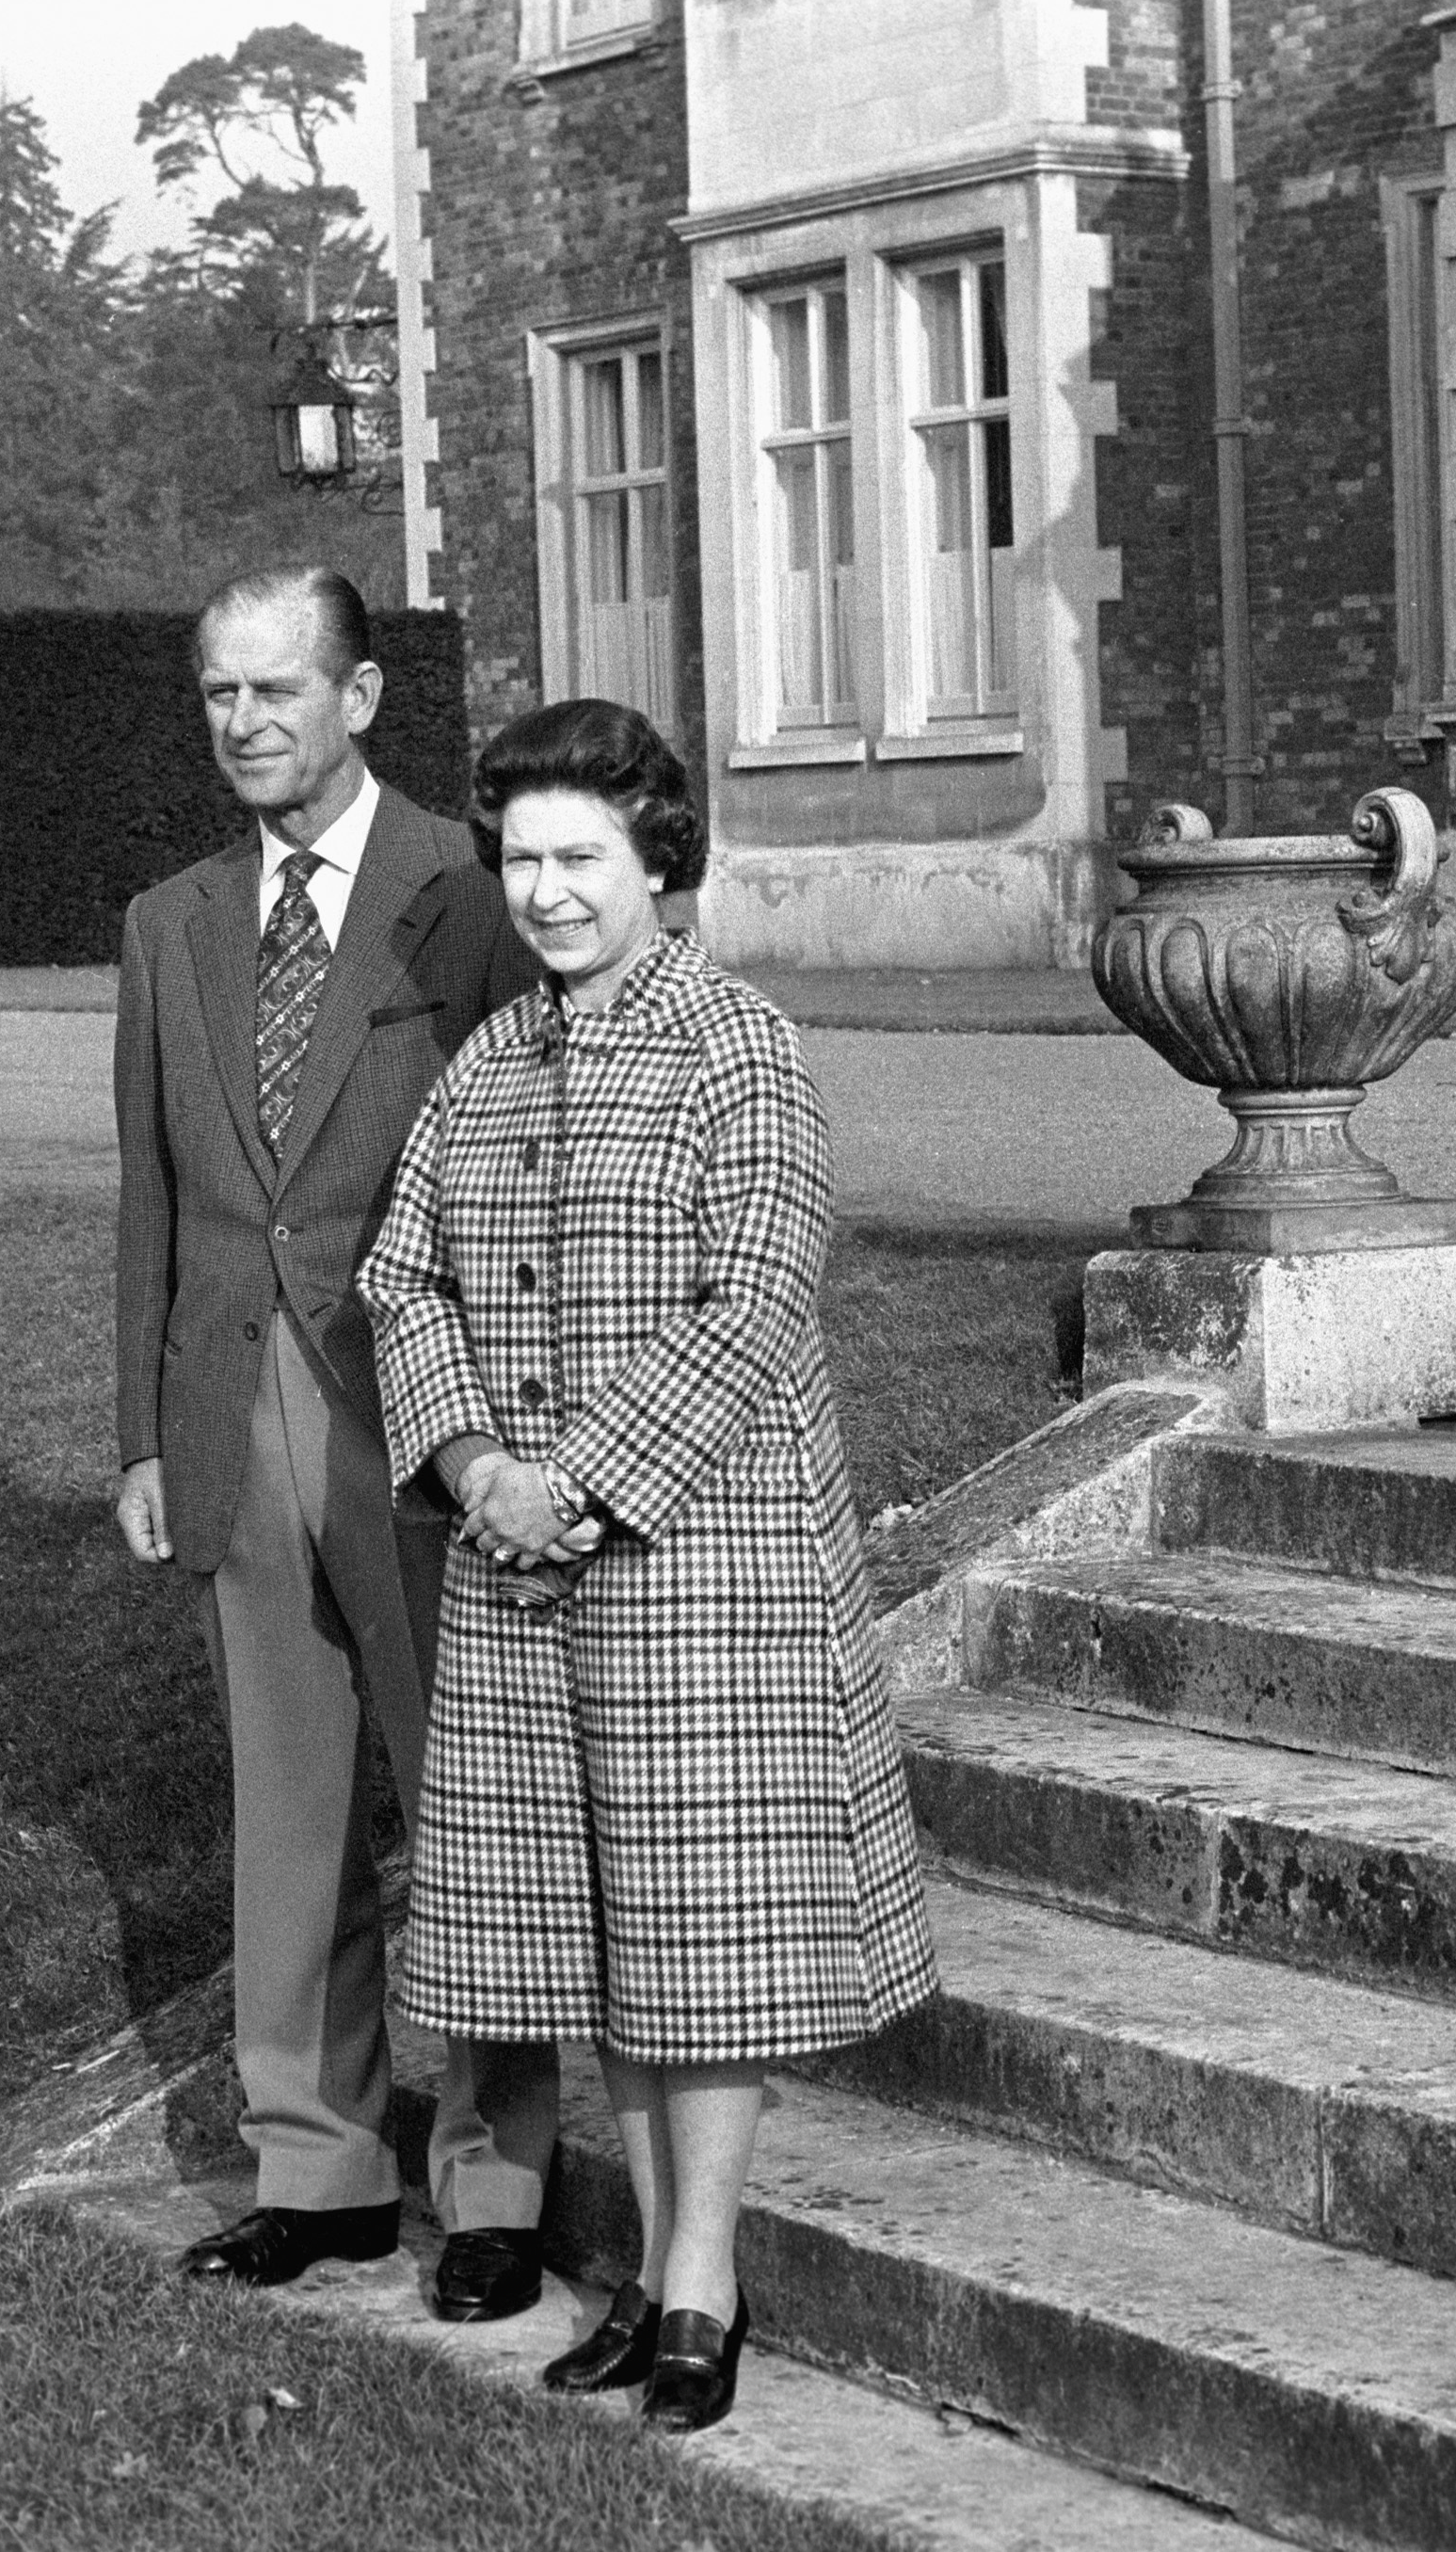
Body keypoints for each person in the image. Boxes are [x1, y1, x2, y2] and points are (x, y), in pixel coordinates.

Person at [357, 698, 939, 2432]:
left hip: (706, 1566)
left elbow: (757, 1298)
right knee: (601, 1931)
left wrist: (576, 1484)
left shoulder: (734, 1049)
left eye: (580, 859)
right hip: (525, 1571)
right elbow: (404, 1280)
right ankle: (659, 2269)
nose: (544, 893)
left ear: (658, 861)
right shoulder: (492, 1064)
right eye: (521, 859)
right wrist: (471, 1464)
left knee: (705, 1931)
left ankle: (703, 2279)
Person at [111, 565, 543, 2303]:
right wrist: (142, 1432)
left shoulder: (476, 890)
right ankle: (323, 2167)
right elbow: (146, 1192)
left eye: (277, 691)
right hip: (235, 1405)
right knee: (287, 1807)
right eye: (219, 694)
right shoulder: (171, 922)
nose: (243, 725)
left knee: (474, 1794)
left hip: (427, 1405)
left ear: (360, 700)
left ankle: (499, 2189)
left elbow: (536, 1156)